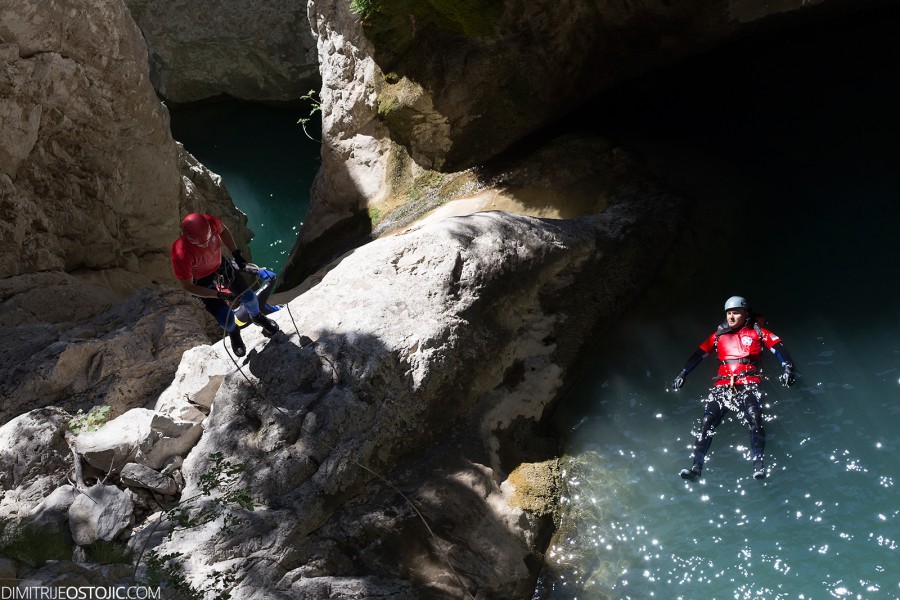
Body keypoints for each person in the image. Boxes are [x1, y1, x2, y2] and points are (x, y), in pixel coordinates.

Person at [671, 295, 795, 480]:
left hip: (748, 382)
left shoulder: (758, 332)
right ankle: (696, 467)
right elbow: (698, 355)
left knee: (754, 417)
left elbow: (778, 349)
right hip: (722, 385)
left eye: (735, 312)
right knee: (706, 423)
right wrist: (683, 373)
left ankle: (758, 464)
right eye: (728, 313)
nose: (731, 316)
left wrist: (787, 367)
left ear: (745, 313)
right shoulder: (718, 336)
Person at [171, 213, 278, 357]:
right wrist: (216, 294)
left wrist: (236, 253)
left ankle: (257, 317)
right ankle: (233, 332)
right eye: (201, 243)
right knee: (226, 321)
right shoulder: (180, 253)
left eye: (208, 240)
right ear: (188, 237)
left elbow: (224, 231)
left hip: (221, 265)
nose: (206, 244)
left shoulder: (211, 222)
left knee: (249, 297)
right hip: (201, 281)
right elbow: (188, 286)